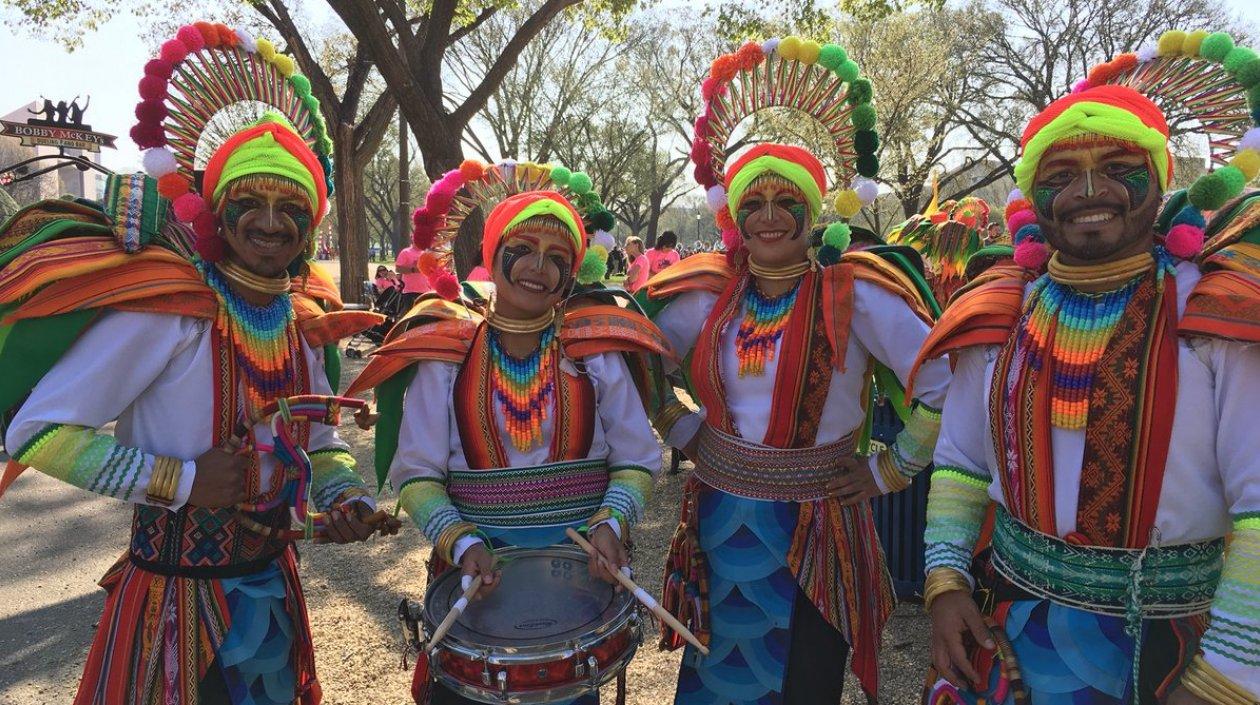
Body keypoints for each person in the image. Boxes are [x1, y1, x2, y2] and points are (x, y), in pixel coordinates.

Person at [0, 21, 399, 705]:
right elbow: (34, 432)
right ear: (214, 210)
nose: (270, 222)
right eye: (250, 202)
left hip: (271, 598)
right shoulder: (169, 313)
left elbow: (321, 442)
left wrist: (342, 498)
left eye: (291, 207)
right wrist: (180, 480)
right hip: (171, 609)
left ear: (311, 224)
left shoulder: (302, 323)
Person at [916, 82, 1260, 705]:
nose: (1089, 191)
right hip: (1008, 625)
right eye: (1061, 176)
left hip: (1172, 648)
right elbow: (960, 463)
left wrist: (1224, 679)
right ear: (1034, 197)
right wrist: (946, 582)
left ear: (1161, 180)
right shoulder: (1002, 309)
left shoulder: (1217, 315)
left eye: (1119, 168)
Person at [645, 37, 951, 704]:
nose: (769, 215)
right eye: (753, 202)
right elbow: (636, 354)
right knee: (716, 676)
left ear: (814, 212)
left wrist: (890, 470)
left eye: (787, 200)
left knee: (802, 681)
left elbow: (943, 380)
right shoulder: (708, 293)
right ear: (734, 215)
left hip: (819, 527)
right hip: (723, 521)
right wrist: (680, 426)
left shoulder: (855, 293)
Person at [345, 159, 672, 705]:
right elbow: (416, 473)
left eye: (557, 258)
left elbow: (636, 458)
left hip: (580, 586)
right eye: (522, 249)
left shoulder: (594, 352)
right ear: (492, 253)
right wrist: (462, 540)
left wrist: (612, 522)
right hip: (477, 580)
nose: (538, 267)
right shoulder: (446, 356)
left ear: (572, 273)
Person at [395, 241, 433, 309]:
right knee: (410, 313)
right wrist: (413, 270)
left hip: (426, 291)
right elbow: (398, 269)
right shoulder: (405, 252)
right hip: (410, 291)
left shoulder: (426, 253)